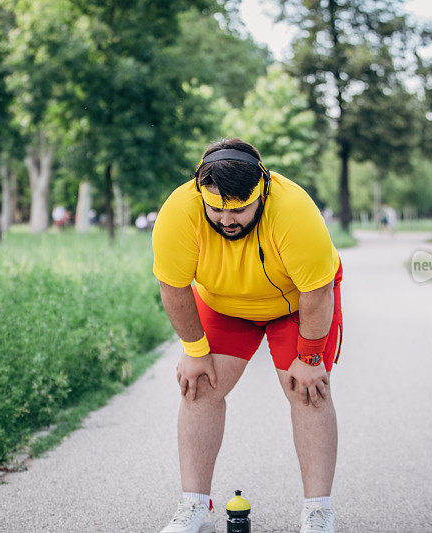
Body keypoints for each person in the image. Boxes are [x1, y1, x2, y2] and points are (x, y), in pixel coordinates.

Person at [152, 138, 343, 533]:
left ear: (263, 190)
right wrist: (194, 350)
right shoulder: (179, 210)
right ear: (200, 192)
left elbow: (317, 291)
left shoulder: (292, 209)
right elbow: (173, 286)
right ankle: (194, 505)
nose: (227, 219)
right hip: (223, 304)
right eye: (217, 208)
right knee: (199, 385)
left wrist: (309, 359)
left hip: (296, 306)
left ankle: (318, 511)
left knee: (308, 390)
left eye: (239, 209)